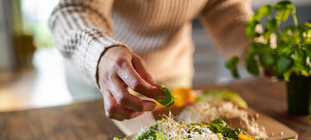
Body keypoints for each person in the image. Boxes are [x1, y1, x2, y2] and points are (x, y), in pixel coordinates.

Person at [49, 0, 253, 121]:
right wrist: (101, 53)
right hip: (101, 74)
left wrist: (259, 50)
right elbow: (73, 10)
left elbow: (226, 6)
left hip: (172, 74)